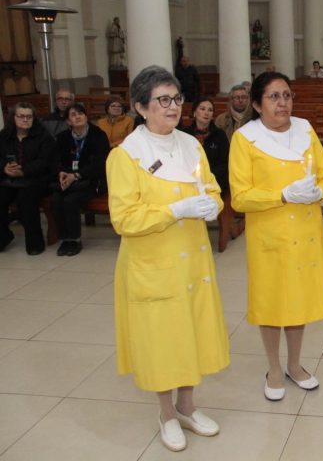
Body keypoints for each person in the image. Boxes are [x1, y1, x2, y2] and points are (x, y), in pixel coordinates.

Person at [106, 65, 229, 452]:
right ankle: (166, 414)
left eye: (176, 99)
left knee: (192, 333)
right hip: (153, 263)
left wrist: (212, 205)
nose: (173, 106)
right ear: (140, 107)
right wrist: (174, 211)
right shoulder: (126, 156)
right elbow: (124, 218)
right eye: (162, 100)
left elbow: (211, 188)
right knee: (162, 341)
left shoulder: (191, 145)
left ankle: (187, 407)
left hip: (192, 261)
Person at [229, 71, 323, 400]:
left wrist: (318, 192)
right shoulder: (245, 139)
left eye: (287, 95)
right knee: (272, 302)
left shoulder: (304, 129)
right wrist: (282, 195)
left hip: (305, 231)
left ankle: (294, 364)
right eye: (274, 96)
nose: (283, 103)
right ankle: (274, 368)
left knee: (298, 301)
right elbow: (240, 198)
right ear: (257, 104)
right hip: (270, 235)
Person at [52, 102, 110, 256]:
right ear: (68, 121)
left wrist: (77, 175)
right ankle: (65, 239)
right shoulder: (62, 138)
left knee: (70, 201)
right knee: (56, 200)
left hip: (92, 181)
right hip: (68, 180)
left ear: (86, 116)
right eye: (73, 115)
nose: (78, 117)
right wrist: (61, 172)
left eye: (80, 113)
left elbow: (100, 164)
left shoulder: (98, 135)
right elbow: (55, 160)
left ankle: (75, 240)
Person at [0, 102, 55, 255]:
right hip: (8, 179)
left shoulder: (43, 136)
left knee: (26, 199)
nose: (25, 120)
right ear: (13, 117)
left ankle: (35, 243)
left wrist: (23, 171)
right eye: (21, 116)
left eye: (29, 117)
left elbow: (45, 162)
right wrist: (4, 168)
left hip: (36, 179)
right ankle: (3, 237)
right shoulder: (4, 136)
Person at [181, 97, 229, 193]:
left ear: (212, 115)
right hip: (188, 182)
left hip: (214, 183)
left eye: (210, 110)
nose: (206, 113)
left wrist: (206, 177)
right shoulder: (184, 134)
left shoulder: (220, 135)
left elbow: (224, 164)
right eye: (202, 109)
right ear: (194, 112)